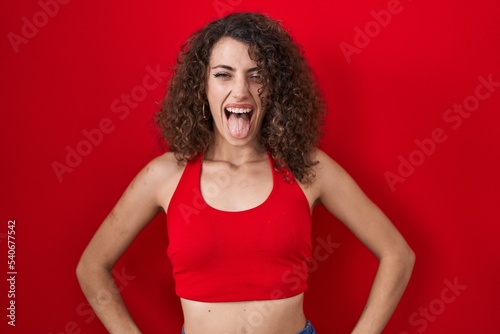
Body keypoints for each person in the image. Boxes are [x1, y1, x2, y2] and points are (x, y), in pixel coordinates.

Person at [76, 12, 415, 334]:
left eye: (257, 75)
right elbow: (92, 267)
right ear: (202, 87)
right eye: (223, 74)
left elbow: (397, 254)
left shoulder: (307, 168)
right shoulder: (164, 176)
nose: (240, 91)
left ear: (275, 88)